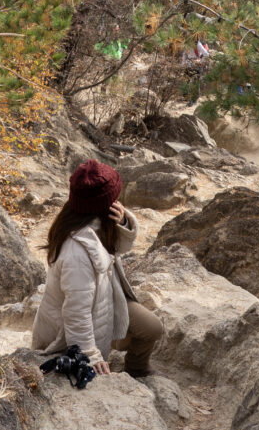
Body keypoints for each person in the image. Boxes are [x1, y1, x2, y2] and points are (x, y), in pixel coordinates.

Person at [31, 159, 164, 378]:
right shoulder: (76, 254)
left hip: (105, 298)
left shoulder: (93, 221)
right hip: (71, 329)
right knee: (147, 329)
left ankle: (136, 368)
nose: (118, 201)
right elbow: (76, 312)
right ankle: (130, 369)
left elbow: (120, 248)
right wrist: (89, 354)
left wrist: (122, 222)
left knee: (152, 328)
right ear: (103, 205)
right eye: (114, 198)